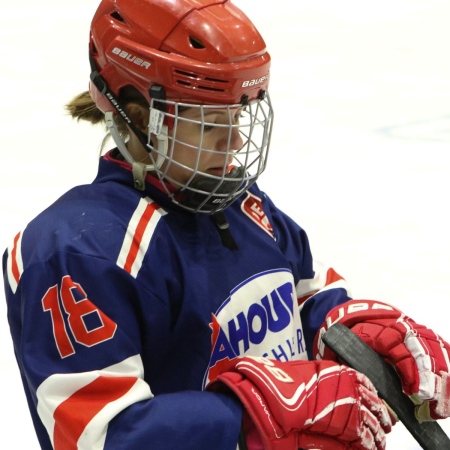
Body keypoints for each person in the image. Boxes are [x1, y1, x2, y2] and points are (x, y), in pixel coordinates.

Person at [3, 0, 450, 449]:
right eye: (210, 122)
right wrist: (250, 413)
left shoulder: (239, 202)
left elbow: (299, 297)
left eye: (237, 115)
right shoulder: (74, 252)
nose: (236, 140)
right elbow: (99, 436)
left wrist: (355, 333)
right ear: (139, 116)